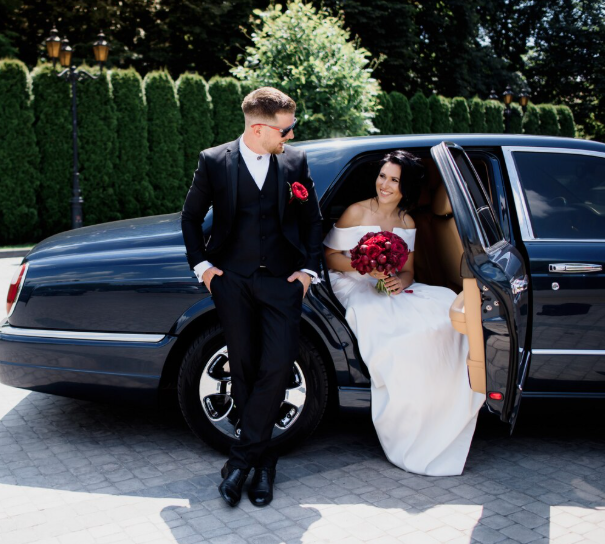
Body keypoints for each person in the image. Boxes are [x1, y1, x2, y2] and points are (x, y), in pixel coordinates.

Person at [181, 87, 323, 506]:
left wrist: (307, 271)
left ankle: (240, 462)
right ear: (259, 128)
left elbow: (312, 220)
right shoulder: (214, 161)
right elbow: (191, 218)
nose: (291, 136)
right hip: (233, 281)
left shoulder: (294, 161)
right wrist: (203, 269)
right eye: (286, 129)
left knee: (277, 366)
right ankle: (263, 466)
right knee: (243, 368)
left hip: (282, 282)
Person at [324, 150, 485, 476]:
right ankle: (404, 417)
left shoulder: (407, 222)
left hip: (386, 284)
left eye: (394, 180)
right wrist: (364, 267)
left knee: (443, 310)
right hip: (351, 282)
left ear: (406, 187)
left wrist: (399, 282)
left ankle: (438, 408)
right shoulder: (356, 211)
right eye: (382, 176)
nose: (384, 185)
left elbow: (408, 271)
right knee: (395, 332)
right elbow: (328, 256)